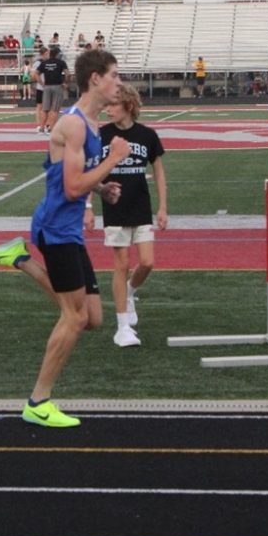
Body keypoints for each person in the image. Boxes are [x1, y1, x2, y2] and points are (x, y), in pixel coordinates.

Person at [0, 49, 130, 428]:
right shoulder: (74, 125)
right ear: (95, 78)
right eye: (114, 75)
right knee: (73, 317)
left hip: (70, 230)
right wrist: (113, 161)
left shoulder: (93, 126)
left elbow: (81, 182)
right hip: (55, 231)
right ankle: (38, 401)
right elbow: (74, 185)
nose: (119, 83)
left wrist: (105, 189)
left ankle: (18, 259)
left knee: (91, 318)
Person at [94, 84, 167, 348]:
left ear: (128, 106)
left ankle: (130, 292)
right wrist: (88, 208)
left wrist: (162, 207)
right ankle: (122, 327)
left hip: (141, 207)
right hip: (114, 208)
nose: (108, 109)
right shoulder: (101, 135)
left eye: (113, 105)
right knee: (121, 264)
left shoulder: (147, 135)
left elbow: (158, 171)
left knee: (147, 262)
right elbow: (92, 173)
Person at [39, 45, 69, 134]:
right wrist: (65, 82)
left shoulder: (44, 63)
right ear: (57, 54)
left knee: (45, 108)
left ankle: (41, 128)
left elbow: (35, 74)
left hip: (47, 86)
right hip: (57, 86)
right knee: (55, 109)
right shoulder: (61, 62)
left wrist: (42, 83)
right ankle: (51, 128)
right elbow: (67, 73)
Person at [32, 48, 47, 131]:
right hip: (41, 87)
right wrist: (41, 82)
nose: (48, 55)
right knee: (39, 106)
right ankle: (39, 124)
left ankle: (46, 124)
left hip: (47, 87)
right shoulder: (38, 63)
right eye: (47, 53)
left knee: (47, 106)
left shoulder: (48, 62)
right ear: (43, 54)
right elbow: (33, 75)